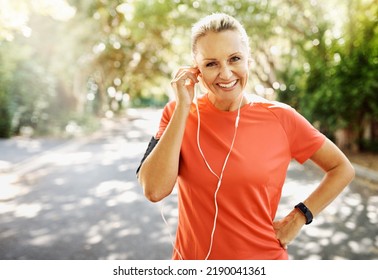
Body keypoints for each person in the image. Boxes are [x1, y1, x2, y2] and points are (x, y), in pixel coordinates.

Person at [136, 13, 355, 260]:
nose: (226, 74)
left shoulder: (282, 118)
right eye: (211, 64)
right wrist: (182, 107)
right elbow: (154, 190)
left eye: (234, 59)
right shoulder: (177, 113)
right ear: (195, 69)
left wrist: (299, 216)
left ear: (248, 59)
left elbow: (341, 168)